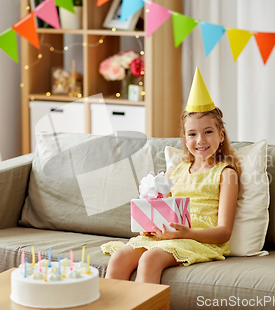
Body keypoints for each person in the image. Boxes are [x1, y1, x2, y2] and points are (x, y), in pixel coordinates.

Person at [100, 67, 241, 284]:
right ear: (185, 139)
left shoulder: (225, 174)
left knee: (150, 259)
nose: (200, 140)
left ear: (221, 135)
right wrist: (151, 226)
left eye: (208, 132)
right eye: (192, 134)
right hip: (169, 235)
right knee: (120, 256)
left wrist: (185, 233)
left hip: (198, 239)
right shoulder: (177, 169)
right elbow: (161, 209)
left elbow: (223, 232)